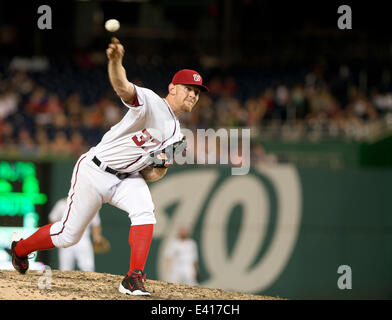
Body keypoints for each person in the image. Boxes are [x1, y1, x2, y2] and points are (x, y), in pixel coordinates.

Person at [9, 37, 208, 296]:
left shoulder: (177, 137)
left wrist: (157, 167)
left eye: (196, 92)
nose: (192, 94)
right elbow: (122, 87)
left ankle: (133, 277)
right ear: (172, 87)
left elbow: (153, 174)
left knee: (145, 211)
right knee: (69, 237)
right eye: (187, 88)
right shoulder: (150, 101)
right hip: (95, 171)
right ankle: (20, 249)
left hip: (127, 178)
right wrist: (115, 62)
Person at [48, 197, 104, 272]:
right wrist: (57, 235)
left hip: (83, 240)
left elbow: (95, 224)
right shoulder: (62, 204)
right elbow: (52, 219)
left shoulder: (90, 204)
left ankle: (88, 284)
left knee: (88, 268)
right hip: (66, 240)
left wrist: (97, 236)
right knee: (65, 269)